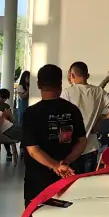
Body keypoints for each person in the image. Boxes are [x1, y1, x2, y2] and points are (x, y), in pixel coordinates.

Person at [21, 65, 87, 206]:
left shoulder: (31, 113)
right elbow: (82, 141)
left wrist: (56, 166)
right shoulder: (73, 110)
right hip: (67, 179)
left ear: (38, 85)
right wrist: (66, 162)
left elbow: (33, 150)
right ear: (60, 84)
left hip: (37, 182)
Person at [63, 61, 109, 174]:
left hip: (71, 148)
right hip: (91, 147)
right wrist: (102, 117)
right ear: (88, 75)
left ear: (71, 75)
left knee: (71, 181)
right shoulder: (99, 91)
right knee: (88, 180)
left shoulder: (67, 92)